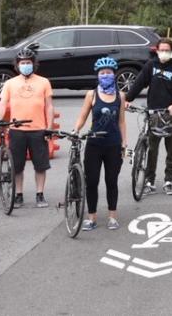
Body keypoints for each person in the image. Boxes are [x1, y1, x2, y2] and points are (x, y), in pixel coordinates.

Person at [72, 57, 129, 231]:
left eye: (109, 73)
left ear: (114, 74)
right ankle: (92, 217)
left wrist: (124, 143)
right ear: (98, 75)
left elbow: (121, 122)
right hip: (94, 144)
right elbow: (83, 116)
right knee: (92, 181)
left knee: (111, 181)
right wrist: (76, 130)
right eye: (102, 73)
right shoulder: (92, 94)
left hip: (113, 144)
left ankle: (112, 217)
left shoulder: (120, 95)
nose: (106, 76)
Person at [0, 47, 55, 208]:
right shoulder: (10, 83)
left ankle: (40, 194)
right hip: (17, 130)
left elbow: (49, 106)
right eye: (23, 63)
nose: (26, 65)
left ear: (33, 64)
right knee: (17, 166)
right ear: (17, 65)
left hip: (38, 129)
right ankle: (19, 194)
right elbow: (2, 104)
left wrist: (49, 127)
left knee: (41, 165)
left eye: (28, 62)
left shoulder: (44, 82)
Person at [125, 38, 172, 195]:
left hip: (171, 114)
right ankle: (150, 180)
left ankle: (168, 180)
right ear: (157, 50)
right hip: (153, 114)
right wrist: (126, 99)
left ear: (171, 51)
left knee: (171, 149)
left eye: (167, 50)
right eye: (162, 49)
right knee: (152, 149)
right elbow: (139, 83)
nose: (164, 52)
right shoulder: (151, 66)